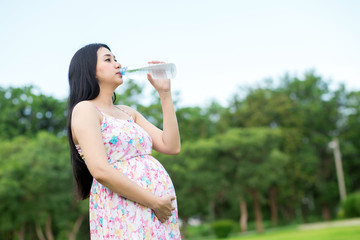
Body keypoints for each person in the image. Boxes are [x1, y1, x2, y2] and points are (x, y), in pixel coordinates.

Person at [67, 43, 182, 239]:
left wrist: (165, 95)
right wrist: (154, 202)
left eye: (116, 58)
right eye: (108, 59)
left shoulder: (128, 112)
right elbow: (100, 170)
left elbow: (171, 146)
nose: (118, 64)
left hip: (157, 210)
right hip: (125, 207)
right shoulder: (85, 110)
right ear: (89, 70)